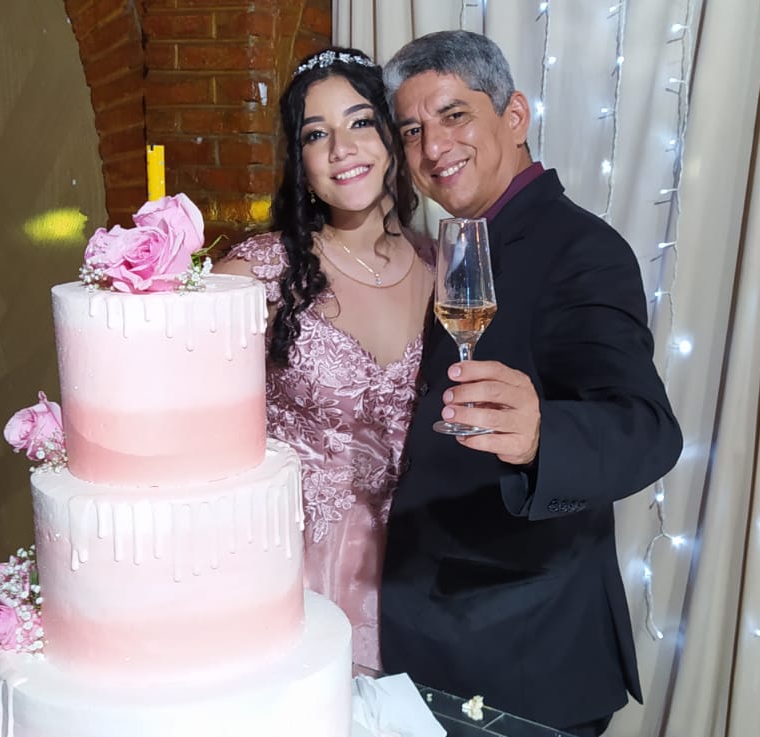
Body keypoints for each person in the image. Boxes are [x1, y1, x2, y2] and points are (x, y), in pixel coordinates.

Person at [378, 31, 683, 737]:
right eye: (413, 130)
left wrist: (544, 434)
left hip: (520, 655)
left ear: (514, 116)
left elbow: (647, 427)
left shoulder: (582, 250)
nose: (433, 148)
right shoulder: (455, 245)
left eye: (455, 115)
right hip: (427, 636)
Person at [215, 47, 432, 674]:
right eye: (317, 134)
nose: (342, 148)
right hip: (295, 578)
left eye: (360, 122)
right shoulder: (258, 274)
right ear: (300, 162)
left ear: (393, 135)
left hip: (420, 578)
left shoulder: (445, 268)